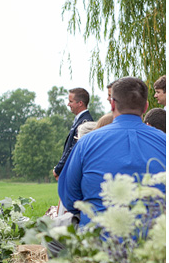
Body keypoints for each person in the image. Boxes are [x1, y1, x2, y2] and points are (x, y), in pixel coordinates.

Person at [59, 77, 166, 227]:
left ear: (113, 104)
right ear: (146, 107)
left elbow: (69, 199)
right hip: (155, 241)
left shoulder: (86, 143)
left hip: (98, 239)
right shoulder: (164, 141)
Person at [53, 88, 93, 179]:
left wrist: (58, 169)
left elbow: (74, 148)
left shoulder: (85, 122)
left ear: (80, 103)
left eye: (71, 101)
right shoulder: (80, 120)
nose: (68, 104)